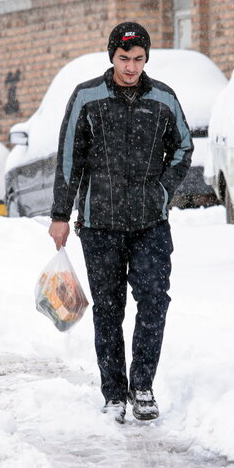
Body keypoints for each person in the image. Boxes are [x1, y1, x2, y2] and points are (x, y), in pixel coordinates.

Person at [50, 22, 193, 423]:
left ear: (147, 59)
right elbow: (68, 158)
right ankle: (114, 392)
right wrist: (61, 214)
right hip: (100, 224)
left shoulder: (162, 98)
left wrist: (163, 192)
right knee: (109, 310)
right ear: (111, 57)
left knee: (153, 301)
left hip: (150, 223)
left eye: (138, 59)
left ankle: (142, 386)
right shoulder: (87, 97)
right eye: (124, 58)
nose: (131, 67)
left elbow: (183, 146)